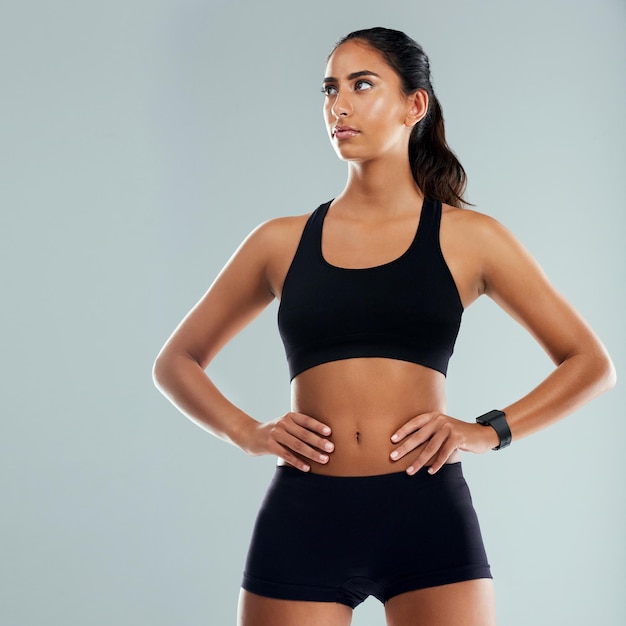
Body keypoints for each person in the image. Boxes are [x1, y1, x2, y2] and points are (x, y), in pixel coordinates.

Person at [152, 26, 616, 626]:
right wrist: (247, 432)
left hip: (426, 512)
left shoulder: (469, 238)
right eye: (329, 90)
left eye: (361, 85)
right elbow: (176, 362)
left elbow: (591, 363)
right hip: (305, 512)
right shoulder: (280, 241)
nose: (338, 106)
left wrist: (488, 431)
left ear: (413, 105)